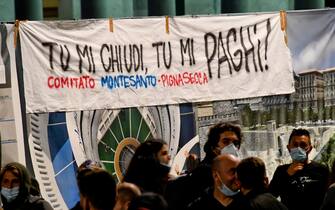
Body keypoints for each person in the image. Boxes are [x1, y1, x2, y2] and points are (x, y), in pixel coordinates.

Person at [165, 122, 243, 210]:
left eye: (235, 143)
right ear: (214, 148)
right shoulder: (205, 173)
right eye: (225, 142)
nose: (232, 146)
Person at [269, 128, 329, 210]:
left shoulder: (321, 170)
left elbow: (329, 198)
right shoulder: (281, 171)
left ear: (310, 148)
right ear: (288, 148)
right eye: (295, 144)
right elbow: (270, 196)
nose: (298, 148)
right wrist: (287, 175)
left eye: (303, 145)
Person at [186, 154, 252, 210]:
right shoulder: (196, 207)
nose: (238, 176)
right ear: (216, 176)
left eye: (240, 171)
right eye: (233, 171)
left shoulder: (251, 204)